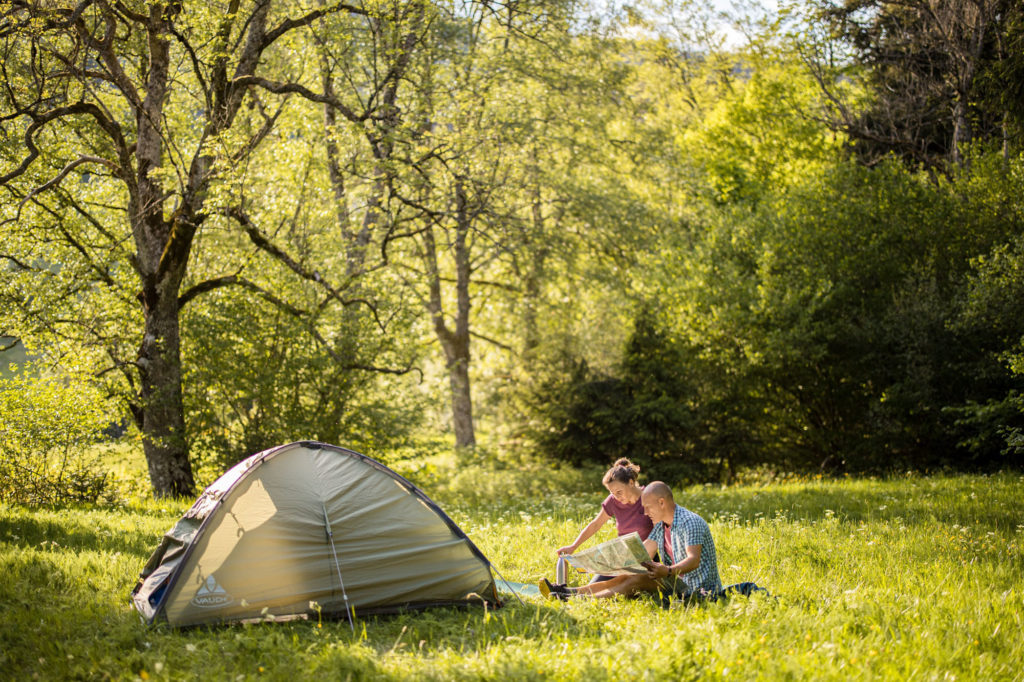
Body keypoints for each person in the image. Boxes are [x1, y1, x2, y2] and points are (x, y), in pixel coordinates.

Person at [543, 481, 722, 601]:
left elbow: (693, 560)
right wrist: (609, 560)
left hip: (698, 591)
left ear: (661, 503)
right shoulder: (661, 527)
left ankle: (579, 599)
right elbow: (644, 553)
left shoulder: (690, 522)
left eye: (647, 508)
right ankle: (567, 592)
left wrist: (667, 571)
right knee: (627, 575)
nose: (645, 513)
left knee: (637, 580)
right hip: (675, 583)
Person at [540, 458, 653, 598]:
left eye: (619, 492)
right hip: (624, 557)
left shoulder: (649, 497)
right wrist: (573, 546)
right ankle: (562, 592)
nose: (616, 497)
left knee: (619, 582)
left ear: (631, 483)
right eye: (612, 493)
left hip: (649, 559)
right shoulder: (613, 501)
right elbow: (595, 524)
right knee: (598, 582)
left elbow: (663, 531)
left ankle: (566, 594)